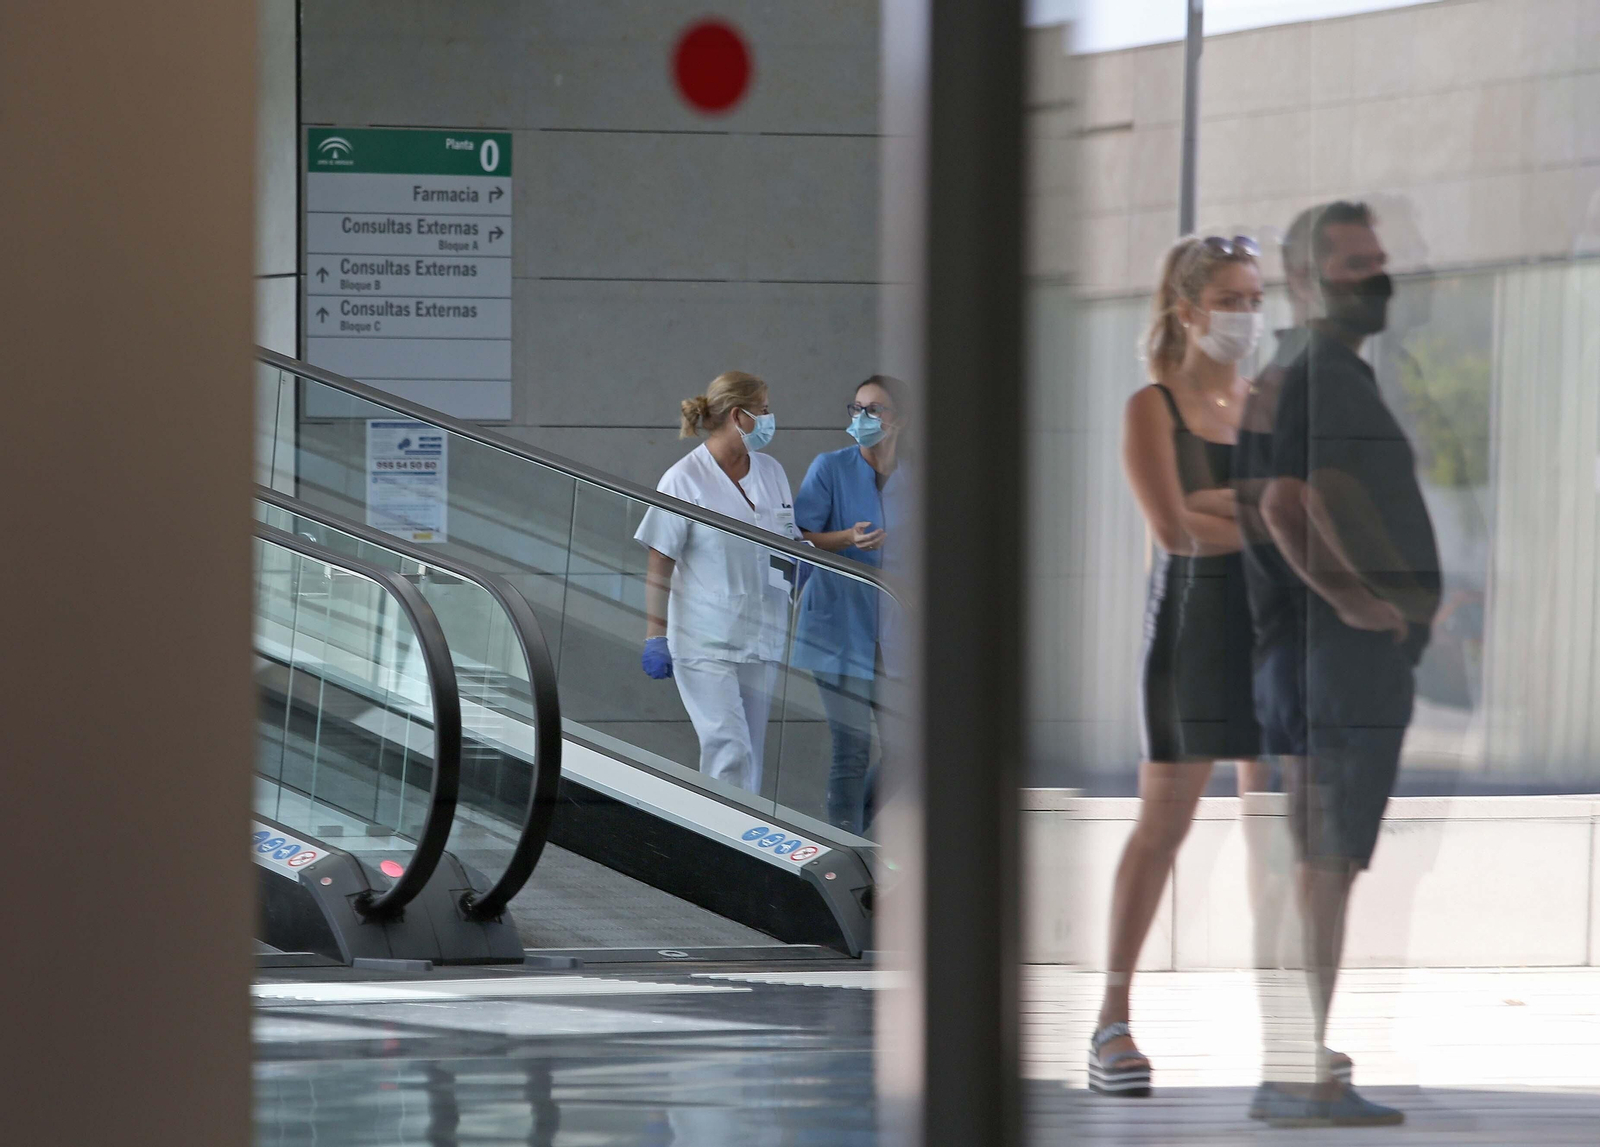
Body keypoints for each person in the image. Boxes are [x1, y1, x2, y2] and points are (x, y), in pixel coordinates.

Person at [1234, 202, 1440, 1128]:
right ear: (1310, 279)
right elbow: (1283, 501)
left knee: (1315, 866)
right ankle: (1299, 1072)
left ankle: (1299, 1058)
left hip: (1313, 662)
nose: (1378, 276)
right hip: (1334, 665)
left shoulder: (1303, 373)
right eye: (1357, 264)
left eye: (1379, 259)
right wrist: (1360, 601)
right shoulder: (1316, 373)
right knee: (1323, 867)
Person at [1088, 235, 1268, 1098]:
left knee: (1281, 836)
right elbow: (1176, 531)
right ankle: (1111, 1019)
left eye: (1254, 297)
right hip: (1193, 637)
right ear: (1189, 308)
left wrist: (1232, 505)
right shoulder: (1149, 408)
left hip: (1274, 638)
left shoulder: (1266, 406)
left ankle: (1298, 1031)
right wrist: (1262, 517)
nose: (1247, 314)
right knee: (1163, 827)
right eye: (1231, 298)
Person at [634, 371, 800, 796]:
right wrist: (656, 634)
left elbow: (788, 537)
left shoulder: (771, 470)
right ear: (738, 415)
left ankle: (747, 846)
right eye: (763, 410)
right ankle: (721, 850)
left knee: (752, 757)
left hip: (762, 633)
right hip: (704, 639)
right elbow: (659, 560)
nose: (769, 417)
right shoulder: (684, 479)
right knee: (729, 749)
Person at [791, 375, 906, 834]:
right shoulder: (830, 467)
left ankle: (860, 826)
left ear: (899, 419)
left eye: (874, 409)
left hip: (896, 635)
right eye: (856, 408)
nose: (861, 418)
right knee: (851, 747)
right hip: (838, 628)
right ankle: (843, 842)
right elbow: (797, 537)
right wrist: (845, 539)